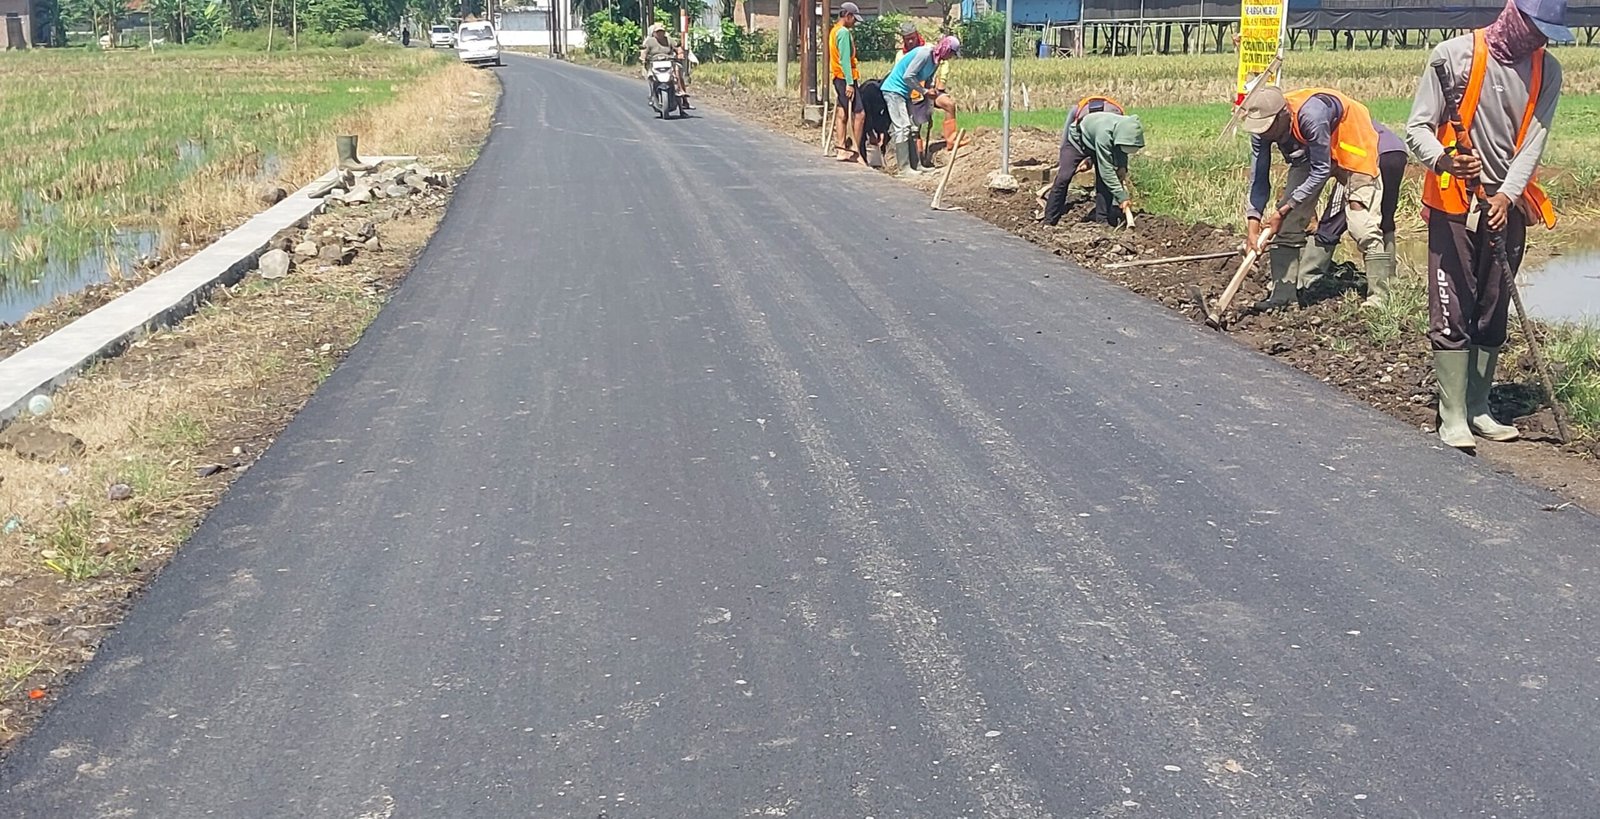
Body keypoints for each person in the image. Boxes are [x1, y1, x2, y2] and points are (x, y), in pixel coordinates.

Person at [1406, 0, 1566, 449]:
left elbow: (1534, 142)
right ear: (1515, 16)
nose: (1541, 40)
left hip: (1506, 203)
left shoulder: (1547, 71)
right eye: (1536, 29)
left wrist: (1506, 196)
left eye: (1548, 33)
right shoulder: (1453, 56)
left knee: (1495, 305)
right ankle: (1452, 414)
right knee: (1453, 303)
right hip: (1454, 202)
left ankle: (1479, 407)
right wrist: (1445, 160)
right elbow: (1417, 127)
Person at [1238, 85, 1395, 313]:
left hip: (1352, 144)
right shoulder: (1261, 129)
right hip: (1312, 151)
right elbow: (1258, 179)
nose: (1264, 134)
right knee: (1288, 225)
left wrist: (1281, 211)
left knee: (1362, 225)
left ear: (1283, 115)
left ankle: (1379, 297)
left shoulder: (1311, 115)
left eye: (1269, 128)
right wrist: (1253, 227)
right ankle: (1283, 296)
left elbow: (1321, 171)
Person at [1289, 123, 1407, 299]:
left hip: (1363, 157)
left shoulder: (1310, 130)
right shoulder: (1339, 117)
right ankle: (1390, 280)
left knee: (1334, 217)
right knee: (1384, 216)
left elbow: (1322, 172)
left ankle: (1307, 277)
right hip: (1395, 151)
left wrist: (1309, 214)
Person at [1039, 96, 1142, 227]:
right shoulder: (1104, 133)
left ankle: (1103, 221)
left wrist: (1122, 167)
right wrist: (1122, 197)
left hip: (1098, 139)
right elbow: (1106, 172)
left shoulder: (1126, 127)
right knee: (1064, 177)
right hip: (1077, 141)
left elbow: (1121, 149)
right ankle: (1049, 221)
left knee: (1103, 182)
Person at [880, 35, 960, 178]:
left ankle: (916, 165)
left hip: (905, 93)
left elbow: (928, 80)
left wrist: (930, 98)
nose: (951, 57)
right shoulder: (925, 53)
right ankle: (903, 168)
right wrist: (924, 91)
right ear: (946, 49)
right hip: (894, 90)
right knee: (902, 127)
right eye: (952, 53)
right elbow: (908, 76)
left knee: (912, 128)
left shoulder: (936, 61)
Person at [829, 3, 866, 163]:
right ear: (848, 16)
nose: (855, 23)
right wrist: (850, 83)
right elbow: (845, 60)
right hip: (845, 78)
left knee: (842, 112)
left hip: (838, 77)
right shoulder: (843, 33)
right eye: (854, 19)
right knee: (860, 114)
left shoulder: (834, 30)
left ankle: (841, 148)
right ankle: (854, 152)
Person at [640, 23, 690, 108]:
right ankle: (652, 95)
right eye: (658, 32)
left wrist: (680, 54)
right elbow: (644, 51)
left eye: (662, 32)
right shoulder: (649, 41)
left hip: (668, 61)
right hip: (654, 63)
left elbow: (677, 48)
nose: (660, 34)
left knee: (677, 70)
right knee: (650, 76)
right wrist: (643, 57)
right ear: (654, 33)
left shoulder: (669, 40)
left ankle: (680, 91)